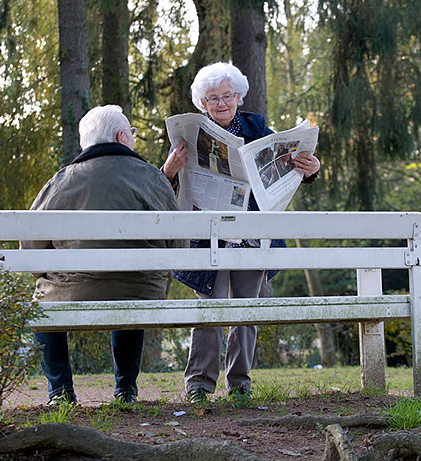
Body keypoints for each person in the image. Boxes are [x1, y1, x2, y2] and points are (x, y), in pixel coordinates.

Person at [161, 62, 320, 403]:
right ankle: (200, 386)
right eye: (213, 98)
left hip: (252, 231)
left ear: (238, 96)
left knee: (247, 310)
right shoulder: (191, 131)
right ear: (202, 103)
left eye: (228, 96)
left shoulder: (257, 126)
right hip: (208, 234)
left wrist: (309, 169)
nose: (221, 104)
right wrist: (169, 171)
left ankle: (240, 385)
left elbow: (284, 167)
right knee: (211, 309)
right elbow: (170, 187)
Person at [21, 105, 179, 405]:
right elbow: (177, 246)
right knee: (131, 288)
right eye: (131, 133)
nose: (132, 138)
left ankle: (60, 392)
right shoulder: (153, 178)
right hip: (140, 291)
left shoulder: (62, 181)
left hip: (74, 291)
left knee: (42, 305)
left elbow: (30, 249)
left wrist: (45, 275)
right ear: (121, 136)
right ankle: (126, 389)